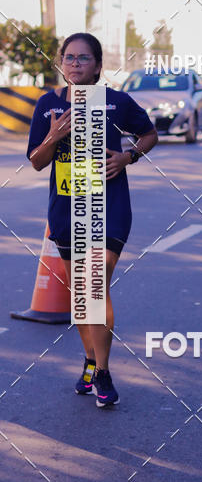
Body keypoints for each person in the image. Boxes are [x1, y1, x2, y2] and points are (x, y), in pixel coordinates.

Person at [27, 32, 158, 407]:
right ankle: (89, 361)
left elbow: (149, 134)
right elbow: (36, 161)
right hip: (66, 210)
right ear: (61, 63)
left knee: (92, 284)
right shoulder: (48, 105)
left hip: (108, 208)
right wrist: (53, 135)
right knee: (80, 296)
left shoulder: (116, 103)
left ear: (98, 66)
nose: (75, 64)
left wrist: (128, 157)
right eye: (69, 58)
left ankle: (102, 372)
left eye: (84, 58)